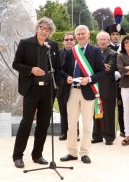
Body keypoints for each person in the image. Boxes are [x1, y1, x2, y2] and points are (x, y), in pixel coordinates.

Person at [12, 17, 60, 169]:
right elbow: (16, 64)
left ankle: (37, 155)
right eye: (42, 27)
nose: (44, 31)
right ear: (37, 28)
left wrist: (56, 86)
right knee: (26, 122)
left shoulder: (52, 45)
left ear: (50, 32)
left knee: (44, 124)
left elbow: (57, 68)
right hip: (31, 88)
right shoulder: (25, 43)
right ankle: (18, 156)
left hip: (48, 89)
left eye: (47, 29)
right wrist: (31, 70)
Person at [60, 25, 105, 164]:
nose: (80, 36)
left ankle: (85, 152)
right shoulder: (70, 52)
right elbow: (62, 70)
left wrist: (89, 80)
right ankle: (72, 152)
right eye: (78, 34)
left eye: (82, 33)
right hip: (72, 91)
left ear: (88, 35)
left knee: (87, 125)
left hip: (88, 91)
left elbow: (102, 71)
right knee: (71, 124)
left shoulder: (95, 51)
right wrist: (66, 77)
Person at [92, 31, 117, 145]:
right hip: (95, 86)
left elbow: (110, 68)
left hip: (108, 87)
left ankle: (109, 137)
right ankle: (97, 136)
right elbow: (91, 67)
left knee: (108, 113)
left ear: (108, 41)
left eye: (105, 39)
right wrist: (102, 65)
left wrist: (99, 66)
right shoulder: (93, 52)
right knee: (96, 112)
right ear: (97, 41)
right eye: (100, 39)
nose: (102, 41)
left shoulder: (113, 53)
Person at [105, 7, 127, 137]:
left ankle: (124, 129)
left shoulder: (125, 48)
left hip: (122, 81)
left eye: (117, 34)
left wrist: (121, 73)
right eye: (113, 34)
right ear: (110, 36)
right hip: (109, 81)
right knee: (108, 107)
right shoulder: (105, 48)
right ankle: (108, 130)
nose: (115, 36)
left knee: (123, 107)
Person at [57, 32, 75, 141]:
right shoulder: (58, 53)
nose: (69, 41)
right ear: (63, 41)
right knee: (63, 111)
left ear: (74, 41)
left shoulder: (78, 52)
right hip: (61, 86)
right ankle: (64, 132)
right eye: (66, 39)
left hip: (75, 85)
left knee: (74, 111)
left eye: (71, 39)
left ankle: (75, 133)